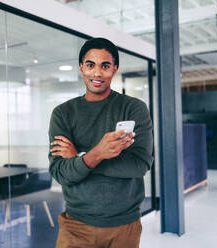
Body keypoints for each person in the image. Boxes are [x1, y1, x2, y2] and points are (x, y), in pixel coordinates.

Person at [48, 37, 153, 248]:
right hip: (75, 227)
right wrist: (97, 153)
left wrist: (81, 158)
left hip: (124, 227)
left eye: (105, 66)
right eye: (90, 65)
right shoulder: (63, 113)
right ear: (81, 68)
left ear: (114, 69)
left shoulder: (133, 108)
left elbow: (138, 166)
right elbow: (61, 173)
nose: (97, 73)